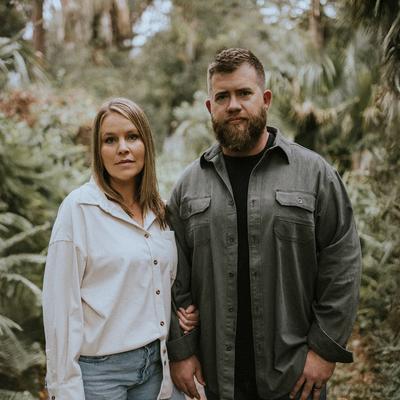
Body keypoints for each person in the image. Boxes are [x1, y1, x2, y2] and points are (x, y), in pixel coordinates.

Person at [166, 48, 362, 400]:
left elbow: (342, 262)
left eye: (244, 93)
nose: (233, 105)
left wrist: (324, 350)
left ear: (265, 99)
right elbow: (173, 275)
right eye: (222, 96)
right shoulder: (188, 185)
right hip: (216, 377)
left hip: (294, 375)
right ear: (210, 107)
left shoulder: (314, 174)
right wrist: (182, 351)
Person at [42, 97, 198, 400]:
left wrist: (186, 315)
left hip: (157, 367)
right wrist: (65, 389)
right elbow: (60, 310)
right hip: (100, 375)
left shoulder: (160, 212)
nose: (123, 148)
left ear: (146, 144)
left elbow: (163, 284)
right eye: (110, 140)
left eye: (132, 136)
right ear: (98, 151)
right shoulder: (78, 209)